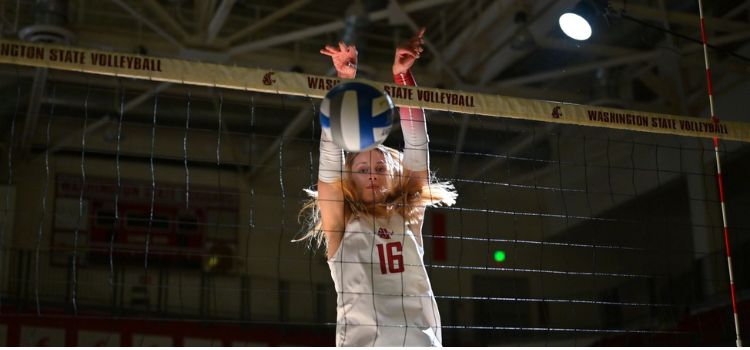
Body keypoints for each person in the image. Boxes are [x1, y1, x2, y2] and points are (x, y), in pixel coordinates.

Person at [297, 28, 457, 347]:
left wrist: (403, 77)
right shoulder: (340, 224)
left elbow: (416, 143)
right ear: (349, 177)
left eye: (380, 168)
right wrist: (344, 82)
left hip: (419, 341)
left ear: (394, 173)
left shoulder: (409, 217)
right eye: (362, 168)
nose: (372, 174)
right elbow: (330, 159)